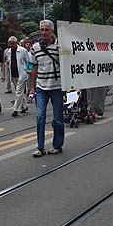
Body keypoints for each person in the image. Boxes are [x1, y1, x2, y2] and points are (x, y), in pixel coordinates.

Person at [29, 20, 64, 157]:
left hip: (57, 86)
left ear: (52, 31)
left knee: (57, 118)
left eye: (46, 30)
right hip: (41, 87)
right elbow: (34, 67)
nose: (44, 32)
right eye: (42, 30)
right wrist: (32, 87)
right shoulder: (35, 47)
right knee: (40, 117)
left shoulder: (59, 45)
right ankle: (40, 147)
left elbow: (68, 64)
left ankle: (57, 145)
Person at [4, 36, 29, 117]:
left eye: (12, 44)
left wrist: (28, 71)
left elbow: (28, 61)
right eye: (9, 44)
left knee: (18, 92)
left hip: (22, 74)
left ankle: (15, 109)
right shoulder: (8, 52)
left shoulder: (22, 50)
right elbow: (7, 61)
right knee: (19, 92)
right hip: (14, 74)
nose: (10, 45)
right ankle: (24, 106)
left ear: (16, 43)